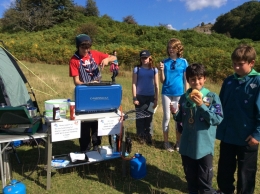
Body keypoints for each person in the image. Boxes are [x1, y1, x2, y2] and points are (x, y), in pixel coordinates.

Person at [171, 63, 223, 194]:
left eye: (199, 78)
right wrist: (175, 112)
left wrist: (201, 106)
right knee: (191, 180)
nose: (196, 82)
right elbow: (181, 119)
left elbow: (217, 119)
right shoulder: (184, 98)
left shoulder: (211, 97)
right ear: (188, 80)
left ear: (204, 78)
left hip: (203, 147)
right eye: (193, 79)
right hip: (187, 146)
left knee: (205, 180)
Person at [216, 45, 260, 194]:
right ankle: (224, 190)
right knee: (225, 169)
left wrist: (257, 134)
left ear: (251, 63)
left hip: (247, 138)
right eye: (234, 63)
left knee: (246, 173)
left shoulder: (258, 82)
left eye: (240, 64)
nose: (236, 67)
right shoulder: (228, 81)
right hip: (228, 135)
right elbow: (219, 106)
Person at [69, 34, 117, 151]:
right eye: (83, 48)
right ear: (78, 46)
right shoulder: (74, 60)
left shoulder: (94, 54)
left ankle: (96, 145)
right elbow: (76, 81)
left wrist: (106, 59)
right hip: (84, 93)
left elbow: (114, 58)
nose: (86, 51)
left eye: (87, 48)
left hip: (98, 92)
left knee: (97, 121)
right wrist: (89, 84)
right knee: (84, 122)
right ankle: (85, 148)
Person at [159, 38, 189, 152]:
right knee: (166, 117)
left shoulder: (184, 62)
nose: (171, 50)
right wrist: (161, 70)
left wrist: (186, 93)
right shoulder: (164, 62)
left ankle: (178, 142)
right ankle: (166, 143)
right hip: (166, 92)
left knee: (178, 119)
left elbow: (185, 79)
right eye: (169, 48)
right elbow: (162, 80)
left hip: (179, 93)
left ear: (178, 49)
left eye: (173, 48)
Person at [132, 50, 159, 144]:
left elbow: (156, 85)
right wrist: (134, 97)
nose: (144, 59)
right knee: (140, 117)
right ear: (140, 58)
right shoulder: (137, 69)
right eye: (143, 58)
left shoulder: (154, 69)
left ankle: (149, 135)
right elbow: (134, 84)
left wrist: (156, 99)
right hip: (140, 97)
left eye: (146, 57)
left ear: (149, 57)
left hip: (151, 97)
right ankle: (141, 135)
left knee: (149, 117)